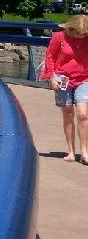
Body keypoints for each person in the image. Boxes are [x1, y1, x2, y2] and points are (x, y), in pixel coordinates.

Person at [40, 15, 88, 162]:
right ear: (71, 29)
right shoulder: (59, 38)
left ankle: (85, 152)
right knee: (68, 115)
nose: (83, 36)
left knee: (83, 114)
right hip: (63, 80)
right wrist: (51, 76)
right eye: (80, 33)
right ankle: (71, 151)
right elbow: (50, 57)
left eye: (85, 33)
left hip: (84, 79)